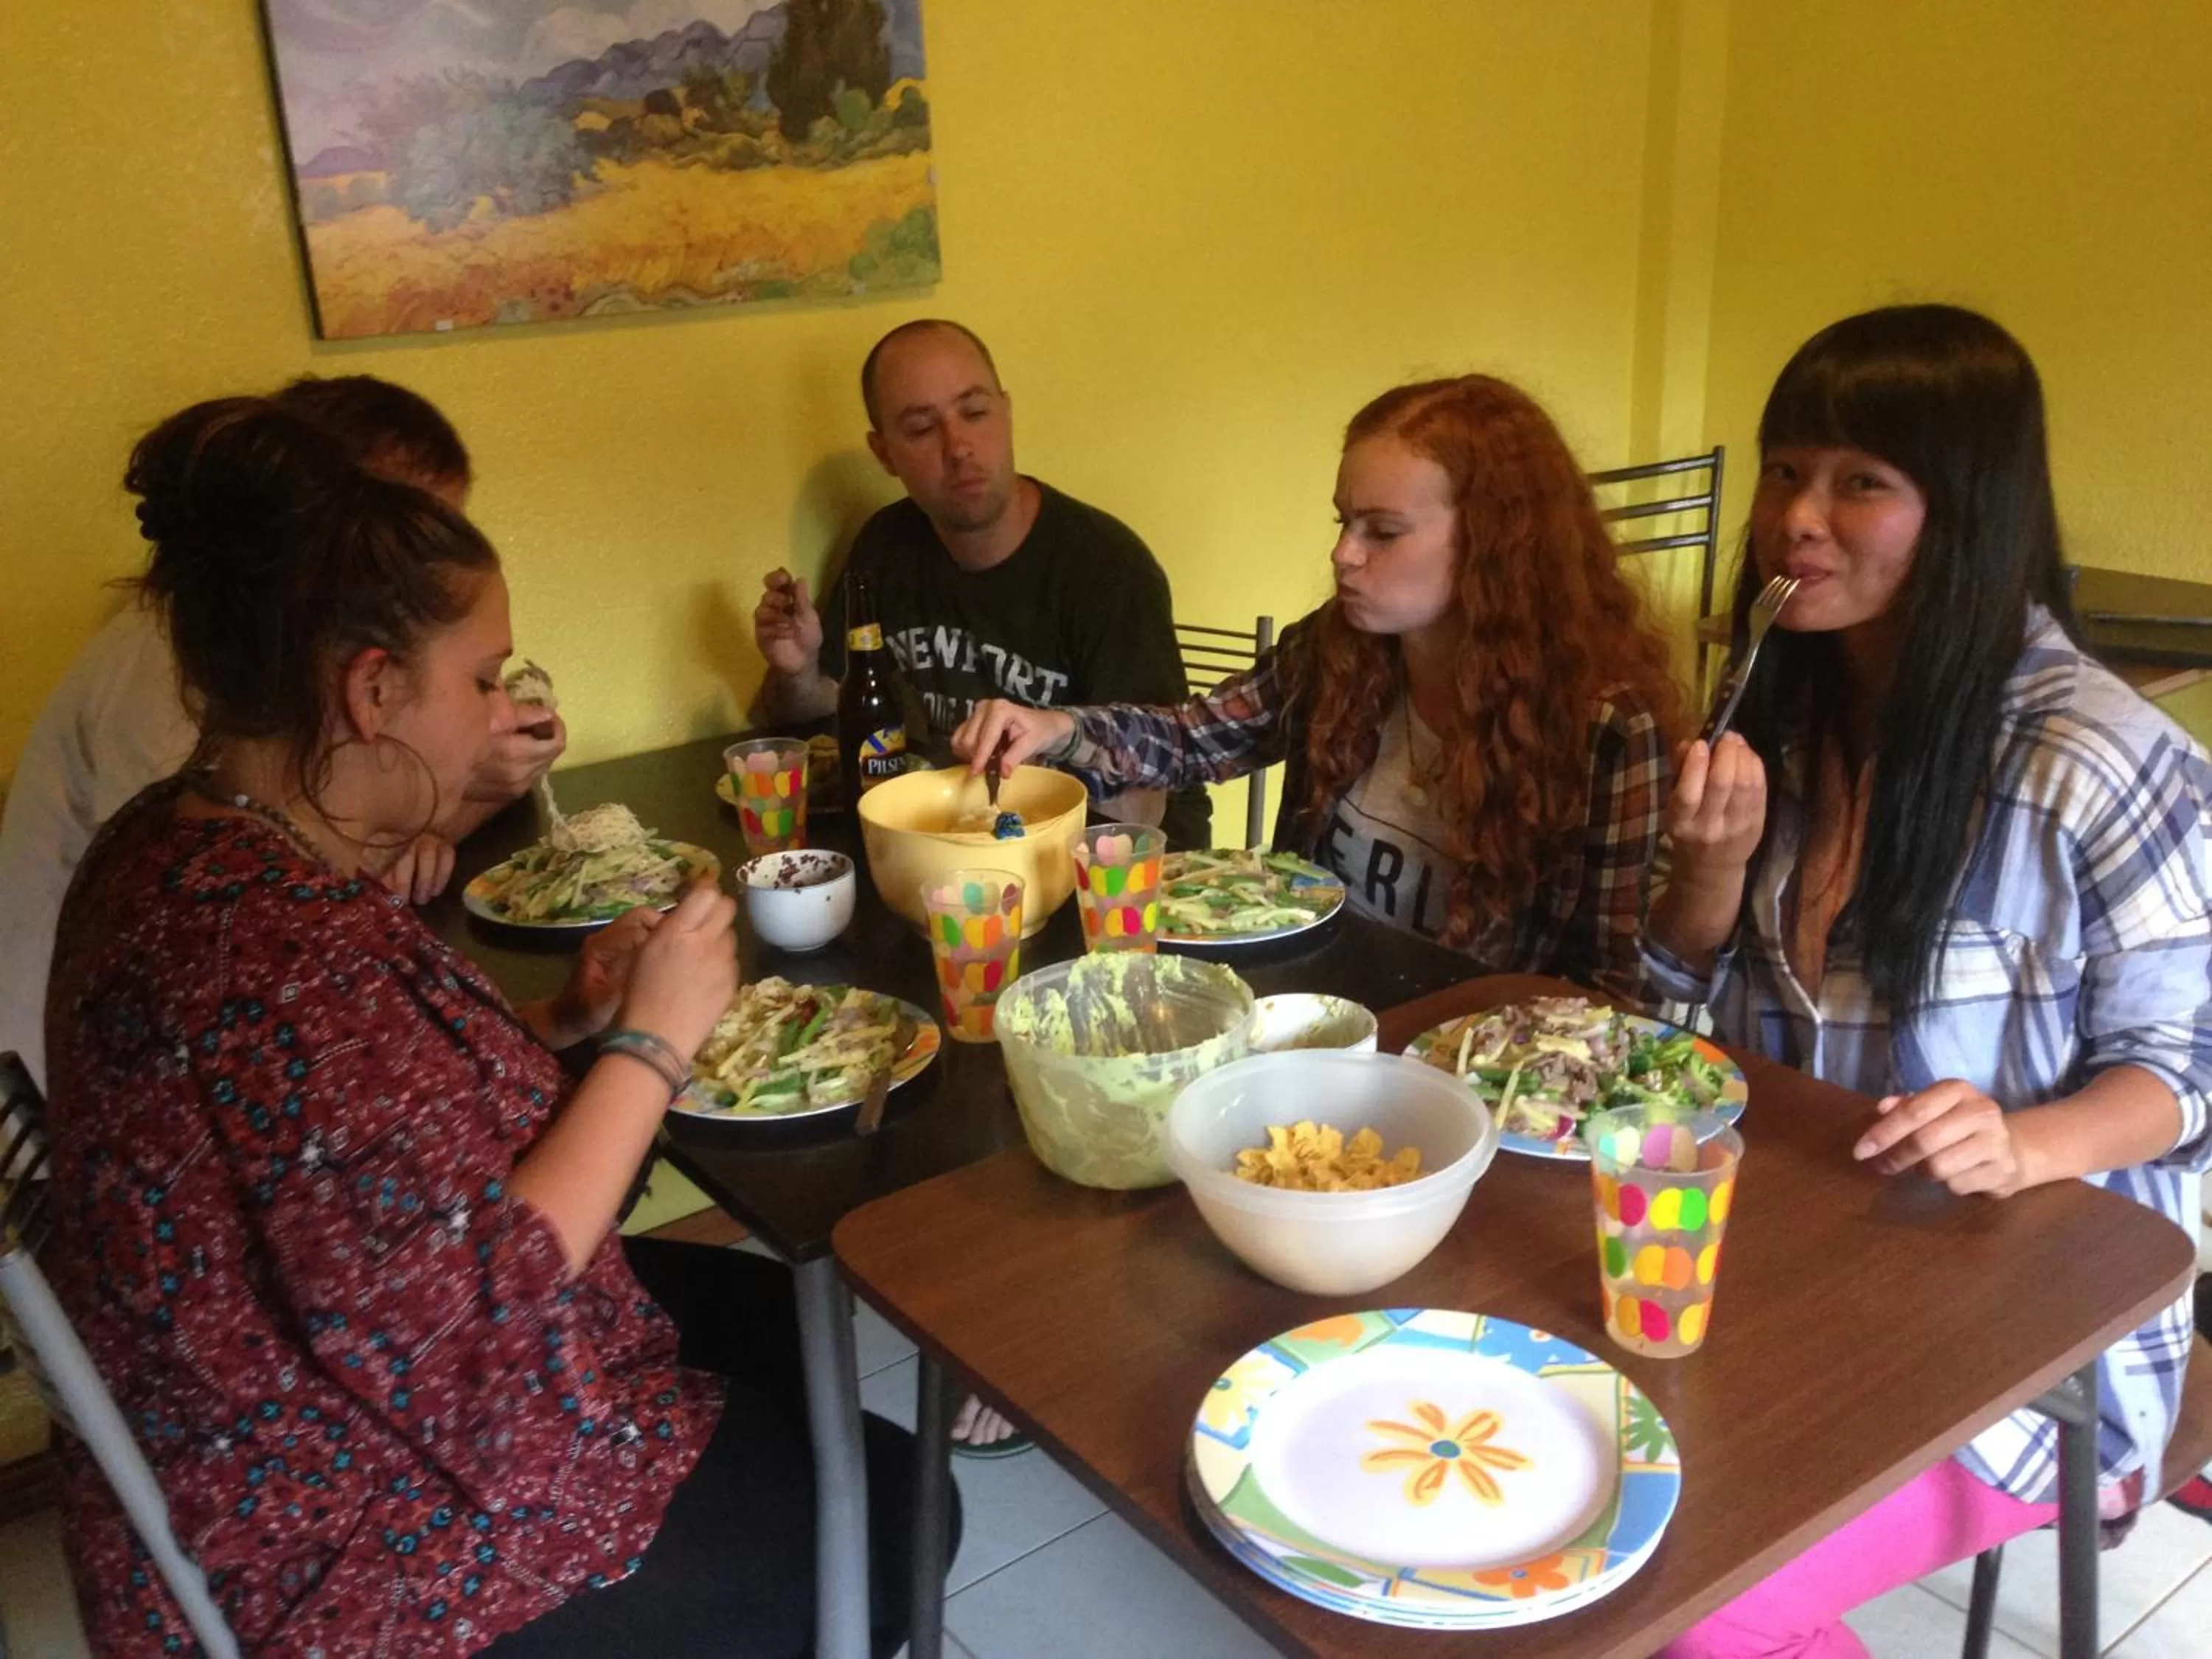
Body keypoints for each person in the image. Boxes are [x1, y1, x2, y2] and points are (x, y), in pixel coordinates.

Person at [44, 397, 944, 1657]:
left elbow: (359, 1128)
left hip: (299, 1421)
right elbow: (465, 1320)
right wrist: (652, 1044)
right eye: (479, 678)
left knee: (785, 1323)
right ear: (371, 690)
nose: (495, 709)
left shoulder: (187, 841)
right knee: (905, 1506)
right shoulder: (265, 956)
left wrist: (565, 1016)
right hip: (344, 1534)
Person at [1646, 305, 2212, 1657]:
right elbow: (1669, 1015)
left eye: (1862, 481)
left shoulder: (2096, 759)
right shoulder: (1780, 714)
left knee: (1683, 1606)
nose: (1797, 519)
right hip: (1796, 1265)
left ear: (1966, 511)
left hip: (2029, 1348)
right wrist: (1710, 874)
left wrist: (2020, 1142)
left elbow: (2187, 1073)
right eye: (1786, 470)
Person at [953, 373, 1680, 998]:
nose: (1343, 553)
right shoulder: (1339, 647)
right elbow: (1196, 738)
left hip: (1469, 1062)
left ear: (1495, 544)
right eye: (1344, 522)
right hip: (1308, 1013)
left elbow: (1608, 984)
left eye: (1382, 532)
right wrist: (1061, 728)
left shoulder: (1604, 725)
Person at [0, 374, 565, 1091]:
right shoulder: (185, 675)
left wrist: (448, 798)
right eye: (409, 532)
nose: (435, 570)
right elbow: (282, 905)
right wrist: (648, 1047)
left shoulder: (266, 662)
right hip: (74, 1075)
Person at [751, 319, 1209, 845]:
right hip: (962, 841)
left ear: (1007, 413)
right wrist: (796, 670)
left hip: (1116, 857)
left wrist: (1045, 757)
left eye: (974, 413)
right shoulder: (884, 545)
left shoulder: (1108, 570)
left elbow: (1149, 802)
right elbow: (822, 714)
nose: (959, 447)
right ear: (885, 454)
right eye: (922, 429)